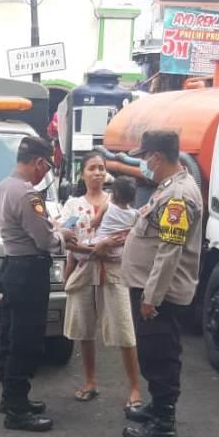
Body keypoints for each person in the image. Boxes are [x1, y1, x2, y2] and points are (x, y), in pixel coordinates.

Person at [120, 130, 203, 437]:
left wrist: (151, 297)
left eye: (145, 157)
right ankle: (157, 407)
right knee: (153, 351)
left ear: (156, 156)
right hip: (151, 289)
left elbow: (170, 250)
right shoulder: (168, 189)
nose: (144, 163)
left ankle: (164, 422)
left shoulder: (177, 196)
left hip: (159, 294)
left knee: (161, 353)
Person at [0, 136, 76, 432]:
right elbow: (45, 241)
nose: (46, 173)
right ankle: (17, 411)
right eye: (47, 167)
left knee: (10, 336)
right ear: (39, 162)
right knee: (25, 341)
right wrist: (63, 236)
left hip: (12, 267)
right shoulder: (29, 196)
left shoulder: (3, 187)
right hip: (29, 272)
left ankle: (11, 397)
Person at [60, 161, 141, 411]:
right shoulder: (73, 205)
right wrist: (97, 249)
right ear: (82, 173)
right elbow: (67, 239)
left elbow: (133, 238)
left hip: (115, 274)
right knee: (85, 330)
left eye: (100, 168)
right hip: (84, 272)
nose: (97, 172)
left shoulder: (118, 203)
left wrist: (104, 248)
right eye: (91, 167)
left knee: (124, 329)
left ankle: (135, 388)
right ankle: (90, 381)